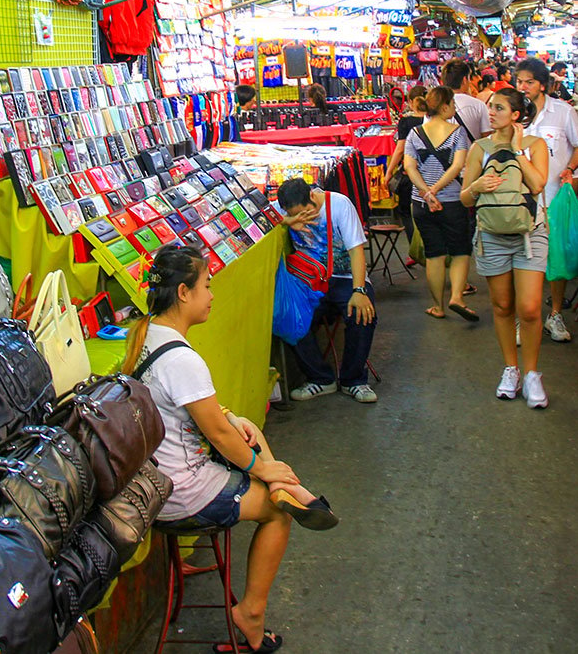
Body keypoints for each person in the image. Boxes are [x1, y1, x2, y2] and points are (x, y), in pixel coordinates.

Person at [127, 246, 337, 654]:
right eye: (207, 286)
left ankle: (288, 485)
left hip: (155, 478)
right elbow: (219, 438)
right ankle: (251, 612)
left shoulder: (145, 335)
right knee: (276, 512)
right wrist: (260, 468)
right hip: (181, 491)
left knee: (249, 431)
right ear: (184, 293)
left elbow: (198, 415)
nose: (212, 295)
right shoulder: (182, 360)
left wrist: (232, 421)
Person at [459, 89, 550, 406]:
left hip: (530, 234)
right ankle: (510, 368)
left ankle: (532, 374)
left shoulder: (535, 145)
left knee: (530, 308)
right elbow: (464, 198)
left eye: (498, 107)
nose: (491, 112)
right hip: (492, 236)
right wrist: (476, 186)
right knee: (501, 307)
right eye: (490, 106)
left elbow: (538, 184)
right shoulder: (479, 148)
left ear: (516, 115)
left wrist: (515, 151)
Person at [276, 178, 380, 404]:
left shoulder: (340, 205)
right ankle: (321, 379)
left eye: (305, 212)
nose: (303, 218)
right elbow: (264, 219)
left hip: (345, 276)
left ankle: (353, 380)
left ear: (313, 196)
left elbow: (356, 250)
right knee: (290, 316)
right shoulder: (284, 208)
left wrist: (359, 290)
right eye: (297, 214)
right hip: (309, 278)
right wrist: (287, 221)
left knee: (362, 313)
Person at [514, 57, 578, 343]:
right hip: (522, 199)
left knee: (557, 259)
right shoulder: (515, 113)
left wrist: (569, 169)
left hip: (554, 199)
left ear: (542, 85)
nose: (523, 87)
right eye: (519, 81)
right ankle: (525, 318)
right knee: (525, 259)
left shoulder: (563, 112)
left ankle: (555, 315)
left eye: (529, 82)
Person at [402, 86, 477, 322]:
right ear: (444, 107)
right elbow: (457, 167)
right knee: (460, 251)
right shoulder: (457, 133)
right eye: (453, 105)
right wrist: (436, 190)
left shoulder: (415, 133)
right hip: (453, 201)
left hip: (422, 204)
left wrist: (426, 192)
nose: (454, 109)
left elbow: (409, 167)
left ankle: (438, 306)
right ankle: (457, 296)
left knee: (434, 254)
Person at [384, 85, 428, 246]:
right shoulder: (435, 119)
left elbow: (399, 149)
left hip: (410, 173)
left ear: (410, 102)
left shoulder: (406, 121)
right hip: (432, 172)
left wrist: (389, 172)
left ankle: (415, 247)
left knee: (407, 211)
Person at [441, 58, 492, 142]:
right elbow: (487, 138)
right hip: (471, 154)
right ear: (465, 80)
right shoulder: (478, 105)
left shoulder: (434, 106)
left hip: (442, 155)